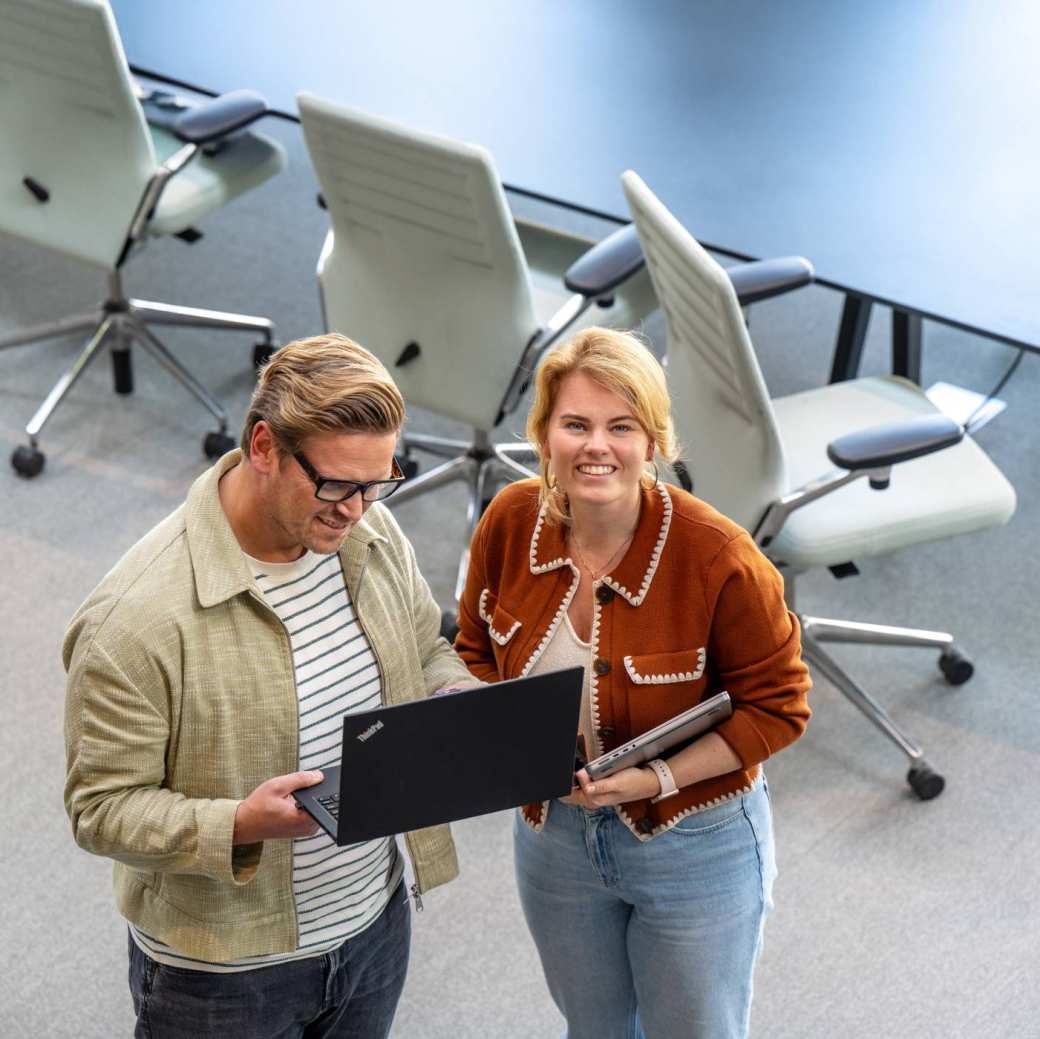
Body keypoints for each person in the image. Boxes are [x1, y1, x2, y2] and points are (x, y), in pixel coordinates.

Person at [64, 333, 479, 1039]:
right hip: (223, 977)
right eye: (337, 484)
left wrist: (450, 698)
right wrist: (241, 824)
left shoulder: (370, 532)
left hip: (372, 924)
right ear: (263, 446)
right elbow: (99, 810)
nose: (356, 509)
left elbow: (425, 647)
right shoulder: (134, 621)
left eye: (379, 482)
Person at [454, 327, 812, 1039]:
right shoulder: (508, 521)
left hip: (693, 837)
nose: (597, 446)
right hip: (552, 831)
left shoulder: (719, 559)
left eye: (622, 427)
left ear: (653, 441)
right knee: (595, 1027)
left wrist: (654, 779)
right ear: (545, 435)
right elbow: (473, 650)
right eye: (576, 424)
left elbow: (779, 708)